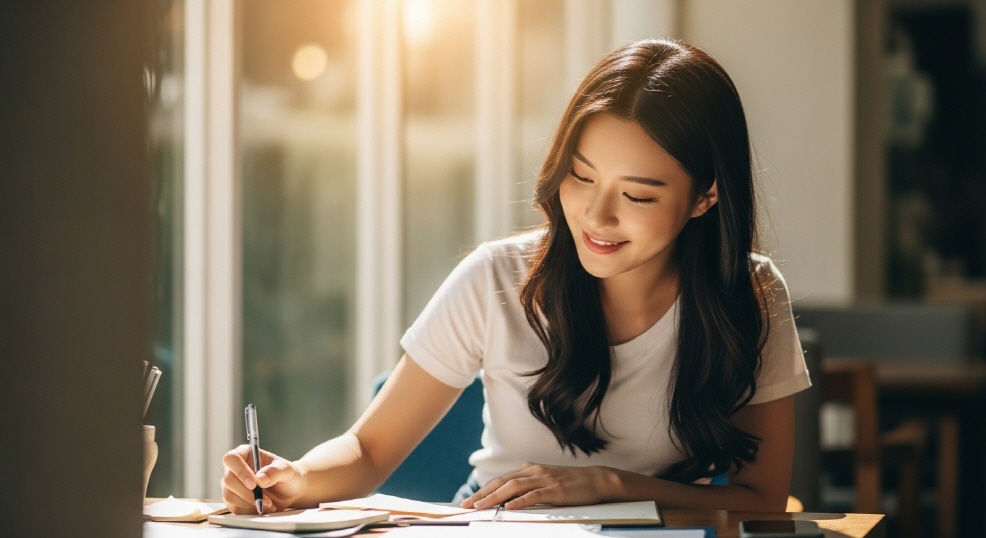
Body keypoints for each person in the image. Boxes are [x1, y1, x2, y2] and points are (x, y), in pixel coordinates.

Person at [221, 38, 810, 515]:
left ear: (706, 196)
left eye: (636, 195)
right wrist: (295, 479)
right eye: (581, 177)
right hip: (495, 526)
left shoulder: (749, 295)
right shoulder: (498, 278)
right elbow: (369, 449)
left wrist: (610, 485)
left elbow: (761, 500)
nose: (596, 215)